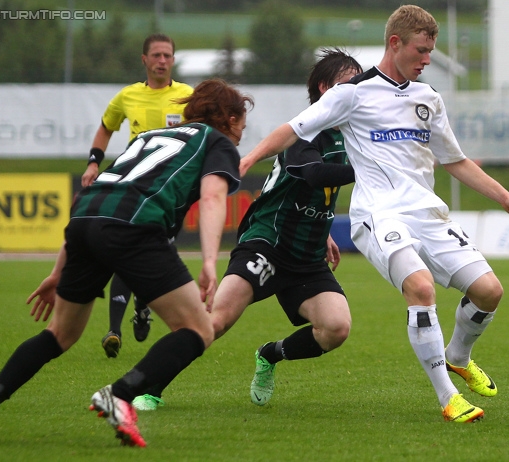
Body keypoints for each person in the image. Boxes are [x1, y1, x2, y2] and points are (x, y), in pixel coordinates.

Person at [239, 5, 509, 423]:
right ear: (394, 43)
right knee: (420, 289)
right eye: (421, 50)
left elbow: (455, 161)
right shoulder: (353, 93)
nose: (427, 59)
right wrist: (248, 158)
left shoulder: (428, 98)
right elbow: (292, 129)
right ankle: (448, 397)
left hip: (428, 214)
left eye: (431, 51)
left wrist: (507, 199)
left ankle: (457, 355)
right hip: (378, 215)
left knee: (490, 292)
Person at [0, 78, 253, 446]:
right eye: (242, 126)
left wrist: (59, 271)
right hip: (133, 226)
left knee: (60, 334)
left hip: (85, 221)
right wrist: (211, 261)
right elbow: (213, 197)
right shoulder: (216, 142)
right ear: (229, 119)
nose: (241, 135)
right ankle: (120, 394)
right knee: (199, 330)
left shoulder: (147, 138)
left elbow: (99, 193)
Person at [133, 48, 363, 408]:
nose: (358, 91)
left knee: (336, 329)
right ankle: (149, 386)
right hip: (267, 242)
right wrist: (373, 170)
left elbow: (314, 191)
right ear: (325, 88)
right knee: (217, 320)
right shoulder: (304, 129)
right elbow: (315, 174)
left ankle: (270, 355)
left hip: (307, 255)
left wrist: (326, 230)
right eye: (350, 82)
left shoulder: (354, 134)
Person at [82, 33, 194, 361]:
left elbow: (203, 131)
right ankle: (114, 330)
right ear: (144, 59)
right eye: (156, 55)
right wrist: (93, 161)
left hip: (171, 191)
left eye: (167, 55)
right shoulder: (128, 96)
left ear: (173, 60)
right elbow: (106, 126)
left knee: (151, 252)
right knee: (128, 247)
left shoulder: (187, 96)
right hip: (133, 187)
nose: (162, 61)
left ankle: (143, 304)